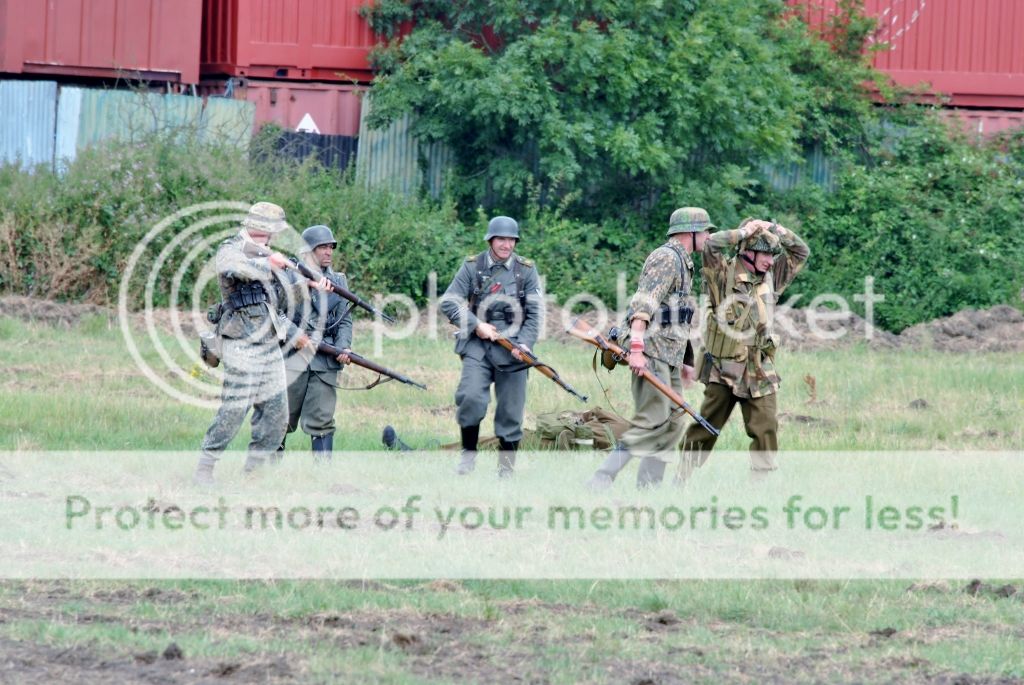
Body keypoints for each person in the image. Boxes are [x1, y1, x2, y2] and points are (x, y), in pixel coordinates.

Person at [586, 207, 713, 491]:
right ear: (689, 232)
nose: (707, 236)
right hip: (652, 350)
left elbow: (677, 315)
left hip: (670, 355)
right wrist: (637, 348)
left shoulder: (684, 262)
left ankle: (649, 486)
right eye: (704, 230)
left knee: (674, 420)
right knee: (652, 419)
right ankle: (602, 477)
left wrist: (687, 361)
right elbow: (643, 305)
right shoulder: (667, 258)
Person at [678, 218, 810, 484]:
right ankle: (681, 479)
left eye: (773, 255)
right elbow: (711, 246)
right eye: (765, 254)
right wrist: (744, 232)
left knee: (765, 430)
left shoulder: (772, 278)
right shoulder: (721, 274)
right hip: (723, 369)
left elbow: (801, 252)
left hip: (759, 370)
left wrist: (775, 230)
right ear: (748, 251)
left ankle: (759, 488)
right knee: (705, 428)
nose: (771, 261)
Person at [193, 202, 309, 485]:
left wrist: (308, 285)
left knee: (277, 413)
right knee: (235, 408)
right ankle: (205, 469)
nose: (273, 237)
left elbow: (279, 302)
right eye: (271, 230)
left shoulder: (271, 255)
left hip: (269, 342)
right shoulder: (231, 248)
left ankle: (253, 475)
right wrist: (267, 263)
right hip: (240, 342)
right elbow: (231, 267)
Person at [439, 216, 543, 478]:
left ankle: (506, 471)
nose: (506, 244)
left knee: (510, 411)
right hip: (478, 345)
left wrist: (525, 345)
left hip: (513, 345)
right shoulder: (473, 267)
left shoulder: (526, 270)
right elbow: (449, 303)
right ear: (490, 240)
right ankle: (468, 457)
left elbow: (535, 314)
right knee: (471, 398)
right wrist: (476, 325)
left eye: (511, 240)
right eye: (501, 239)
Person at [276, 224, 353, 462]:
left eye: (331, 247)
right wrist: (294, 336)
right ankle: (266, 472)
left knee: (322, 419)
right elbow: (275, 310)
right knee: (280, 417)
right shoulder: (288, 275)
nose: (329, 251)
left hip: (324, 360)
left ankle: (322, 475)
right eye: (323, 247)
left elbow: (345, 319)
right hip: (291, 358)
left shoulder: (338, 280)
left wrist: (344, 347)